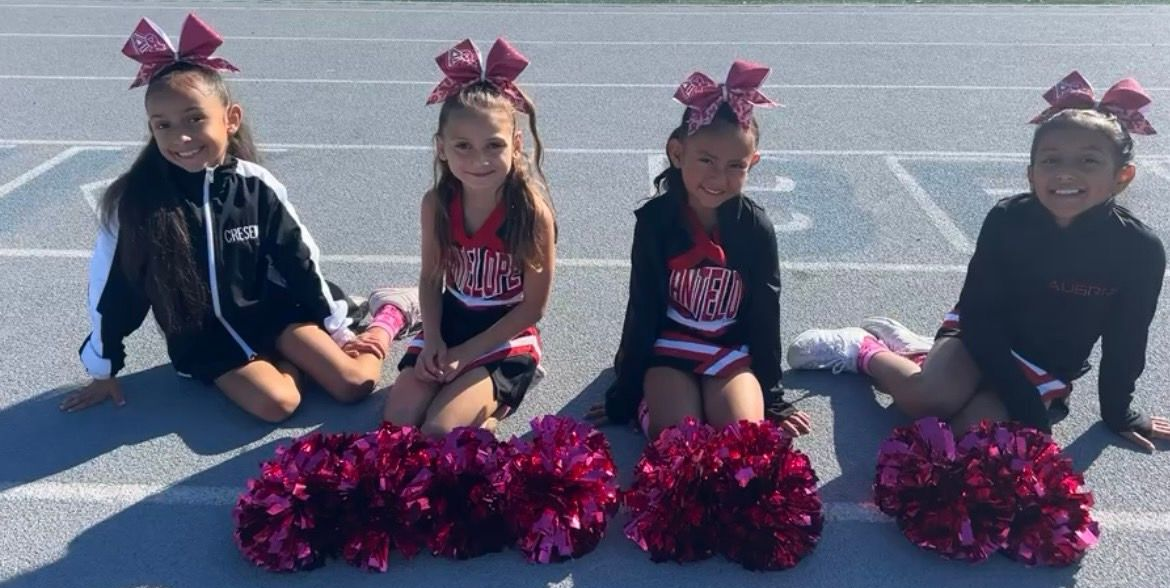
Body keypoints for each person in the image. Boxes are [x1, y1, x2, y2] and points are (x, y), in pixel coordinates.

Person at [62, 14, 419, 423]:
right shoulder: (138, 202)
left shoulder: (256, 184)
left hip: (273, 313)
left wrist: (336, 327)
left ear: (230, 119)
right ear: (152, 129)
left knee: (354, 384)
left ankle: (389, 315)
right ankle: (290, 361)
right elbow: (114, 290)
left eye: (195, 119)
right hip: (205, 341)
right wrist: (103, 368)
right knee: (278, 403)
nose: (180, 137)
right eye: (164, 125)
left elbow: (298, 258)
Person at [788, 71, 1170, 451]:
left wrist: (1119, 412)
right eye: (1051, 160)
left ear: (1123, 176)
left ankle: (922, 355)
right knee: (927, 402)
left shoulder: (1139, 249)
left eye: (1088, 161)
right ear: (1030, 173)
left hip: (1043, 365)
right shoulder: (1007, 219)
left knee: (964, 442)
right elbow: (978, 315)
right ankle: (864, 351)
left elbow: (1127, 339)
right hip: (978, 336)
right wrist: (1025, 406)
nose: (1066, 172)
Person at [588, 61, 812, 440]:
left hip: (729, 349)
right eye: (705, 160)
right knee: (677, 438)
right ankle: (649, 402)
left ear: (752, 164)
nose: (718, 177)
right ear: (677, 153)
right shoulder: (655, 223)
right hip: (669, 347)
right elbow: (641, 308)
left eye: (734, 166)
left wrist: (772, 397)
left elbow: (764, 311)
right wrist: (624, 393)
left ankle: (720, 402)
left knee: (743, 437)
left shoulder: (756, 229)